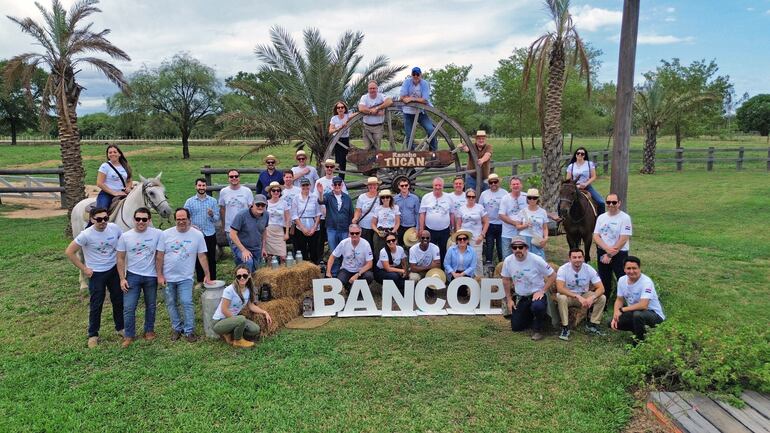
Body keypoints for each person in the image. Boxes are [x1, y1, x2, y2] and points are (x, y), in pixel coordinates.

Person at [65, 207, 124, 348]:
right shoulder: (86, 235)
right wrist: (84, 268)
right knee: (96, 304)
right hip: (96, 273)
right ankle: (93, 334)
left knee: (118, 300)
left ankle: (120, 328)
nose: (103, 222)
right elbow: (69, 252)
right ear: (92, 219)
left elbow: (123, 243)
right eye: (99, 219)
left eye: (105, 218)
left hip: (113, 270)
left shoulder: (114, 228)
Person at [156, 208, 211, 342]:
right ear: (175, 220)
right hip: (168, 277)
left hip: (186, 277)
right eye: (178, 219)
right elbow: (159, 256)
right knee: (171, 302)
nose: (181, 222)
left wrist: (207, 274)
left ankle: (189, 330)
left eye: (184, 219)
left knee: (187, 302)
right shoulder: (165, 234)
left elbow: (202, 256)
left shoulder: (197, 235)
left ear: (189, 219)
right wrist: (160, 275)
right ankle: (177, 328)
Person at [116, 207, 162, 348]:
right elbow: (120, 259)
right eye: (138, 219)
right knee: (129, 307)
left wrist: (159, 275)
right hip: (132, 275)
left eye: (144, 219)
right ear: (134, 220)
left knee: (151, 305)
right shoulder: (125, 236)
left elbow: (161, 254)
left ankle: (149, 330)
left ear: (149, 220)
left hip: (151, 276)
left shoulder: (158, 234)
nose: (141, 222)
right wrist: (122, 278)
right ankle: (129, 335)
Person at [501, 237, 556, 341]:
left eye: (520, 247)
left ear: (526, 248)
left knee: (537, 307)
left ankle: (538, 330)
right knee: (516, 327)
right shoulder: (508, 260)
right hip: (522, 296)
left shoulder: (536, 259)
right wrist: (509, 299)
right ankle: (536, 318)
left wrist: (542, 290)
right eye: (514, 247)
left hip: (536, 294)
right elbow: (505, 280)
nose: (517, 250)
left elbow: (553, 275)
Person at [212, 265, 273, 348]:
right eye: (239, 276)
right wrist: (237, 320)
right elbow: (224, 309)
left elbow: (251, 306)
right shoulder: (229, 290)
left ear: (249, 276)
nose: (242, 278)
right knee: (241, 319)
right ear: (236, 277)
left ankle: (230, 334)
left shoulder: (248, 290)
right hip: (219, 322)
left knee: (255, 329)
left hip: (234, 319)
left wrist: (264, 312)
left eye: (245, 275)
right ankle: (238, 340)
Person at [555, 248, 607, 341]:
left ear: (583, 258)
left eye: (579, 257)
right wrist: (576, 296)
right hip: (569, 296)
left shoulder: (588, 269)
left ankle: (593, 324)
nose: (577, 259)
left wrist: (592, 297)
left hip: (584, 295)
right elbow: (560, 288)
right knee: (561, 297)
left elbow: (601, 288)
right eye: (574, 257)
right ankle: (565, 327)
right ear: (569, 259)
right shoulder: (563, 269)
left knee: (602, 298)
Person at [610, 256, 665, 342]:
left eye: (634, 268)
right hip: (633, 312)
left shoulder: (646, 282)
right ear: (624, 269)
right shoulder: (621, 280)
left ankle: (638, 342)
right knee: (612, 322)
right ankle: (640, 331)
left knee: (638, 314)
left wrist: (622, 310)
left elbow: (643, 305)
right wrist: (615, 314)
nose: (631, 271)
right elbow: (619, 299)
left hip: (654, 315)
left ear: (639, 268)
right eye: (628, 268)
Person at [592, 193, 633, 300]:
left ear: (619, 203)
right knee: (604, 278)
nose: (611, 205)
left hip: (619, 253)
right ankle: (604, 302)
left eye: (614, 202)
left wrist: (610, 254)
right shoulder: (601, 217)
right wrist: (606, 250)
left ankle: (626, 301)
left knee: (622, 278)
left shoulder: (625, 218)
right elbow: (596, 236)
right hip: (603, 252)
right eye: (608, 202)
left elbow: (624, 238)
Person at [184, 178, 219, 286]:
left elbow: (217, 219)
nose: (201, 188)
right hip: (196, 234)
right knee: (198, 258)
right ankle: (200, 280)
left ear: (206, 187)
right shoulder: (190, 202)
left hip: (209, 233)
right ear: (196, 187)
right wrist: (191, 225)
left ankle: (212, 279)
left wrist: (212, 214)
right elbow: (185, 218)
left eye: (203, 186)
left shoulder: (212, 201)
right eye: (199, 186)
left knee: (211, 257)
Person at [318, 176, 354, 276]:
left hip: (344, 229)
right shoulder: (328, 196)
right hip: (332, 228)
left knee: (344, 251)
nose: (337, 186)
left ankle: (343, 272)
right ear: (332, 186)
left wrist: (351, 229)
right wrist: (320, 193)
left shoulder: (347, 198)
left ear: (342, 185)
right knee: (334, 251)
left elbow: (351, 213)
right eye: (335, 184)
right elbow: (321, 201)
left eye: (339, 184)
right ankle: (333, 273)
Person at [218, 169, 253, 262]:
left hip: (245, 227)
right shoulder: (223, 192)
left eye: (236, 176)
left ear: (239, 178)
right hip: (231, 228)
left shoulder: (247, 191)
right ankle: (239, 273)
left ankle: (247, 273)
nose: (234, 178)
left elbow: (251, 208)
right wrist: (223, 225)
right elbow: (222, 209)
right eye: (231, 176)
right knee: (236, 253)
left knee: (246, 252)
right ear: (228, 179)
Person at [325, 224, 374, 290]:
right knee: (340, 282)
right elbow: (332, 256)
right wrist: (328, 272)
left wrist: (358, 274)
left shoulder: (366, 244)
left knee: (369, 276)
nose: (354, 235)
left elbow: (370, 264)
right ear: (349, 233)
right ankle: (352, 287)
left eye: (357, 233)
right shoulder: (344, 243)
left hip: (360, 271)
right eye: (352, 233)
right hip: (346, 269)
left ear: (360, 233)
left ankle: (356, 288)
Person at [400, 67, 437, 151]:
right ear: (411, 75)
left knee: (431, 130)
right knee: (409, 136)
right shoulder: (407, 82)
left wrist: (411, 99)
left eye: (417, 74)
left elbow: (425, 99)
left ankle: (433, 152)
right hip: (407, 113)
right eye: (414, 74)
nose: (416, 76)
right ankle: (411, 155)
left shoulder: (424, 84)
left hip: (420, 112)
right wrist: (418, 100)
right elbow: (402, 96)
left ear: (421, 75)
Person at [230, 194, 268, 272]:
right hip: (241, 246)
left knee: (256, 270)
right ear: (252, 204)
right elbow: (232, 234)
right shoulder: (241, 215)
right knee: (248, 262)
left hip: (256, 247)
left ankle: (250, 282)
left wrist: (263, 248)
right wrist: (243, 250)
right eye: (258, 204)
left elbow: (264, 230)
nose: (260, 207)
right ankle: (242, 282)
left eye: (263, 205)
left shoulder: (266, 215)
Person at [419, 177, 453, 265]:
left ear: (443, 186)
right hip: (429, 230)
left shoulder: (449, 197)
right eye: (436, 185)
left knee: (444, 251)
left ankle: (443, 271)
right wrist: (421, 229)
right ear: (432, 186)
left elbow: (452, 214)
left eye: (440, 185)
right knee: (429, 251)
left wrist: (452, 229)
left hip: (444, 230)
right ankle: (430, 271)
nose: (437, 187)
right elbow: (422, 214)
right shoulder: (426, 197)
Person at [315, 159, 348, 251]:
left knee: (335, 239)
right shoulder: (319, 181)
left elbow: (344, 198)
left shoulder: (339, 181)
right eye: (327, 166)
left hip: (335, 216)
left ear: (334, 168)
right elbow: (316, 198)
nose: (329, 168)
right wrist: (322, 211)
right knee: (320, 239)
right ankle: (320, 260)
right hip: (322, 215)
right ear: (324, 168)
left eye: (331, 167)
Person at [455, 188, 488, 278]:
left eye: (473, 197)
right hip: (464, 238)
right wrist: (458, 236)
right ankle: (466, 279)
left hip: (477, 237)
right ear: (466, 197)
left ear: (475, 198)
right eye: (469, 196)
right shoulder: (461, 208)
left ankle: (479, 279)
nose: (471, 198)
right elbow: (458, 223)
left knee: (477, 259)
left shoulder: (480, 208)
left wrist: (482, 235)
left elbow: (486, 222)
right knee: (464, 259)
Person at [566, 147, 605, 215]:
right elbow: (568, 180)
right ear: (576, 154)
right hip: (574, 187)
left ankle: (600, 221)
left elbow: (594, 176)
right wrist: (576, 186)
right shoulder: (571, 166)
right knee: (562, 202)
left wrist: (586, 184)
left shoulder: (589, 164)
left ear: (584, 155)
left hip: (587, 186)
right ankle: (561, 220)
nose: (580, 155)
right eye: (578, 153)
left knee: (601, 202)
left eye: (582, 154)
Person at [480, 173, 508, 267]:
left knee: (500, 246)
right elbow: (480, 208)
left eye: (495, 182)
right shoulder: (484, 194)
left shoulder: (504, 193)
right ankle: (489, 264)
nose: (493, 184)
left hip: (501, 223)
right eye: (491, 182)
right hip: (489, 224)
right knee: (489, 244)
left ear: (498, 182)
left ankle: (501, 265)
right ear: (488, 183)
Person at [292, 178, 322, 263]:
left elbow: (318, 213)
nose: (305, 187)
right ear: (300, 186)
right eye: (303, 185)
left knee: (314, 250)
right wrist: (302, 228)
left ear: (310, 186)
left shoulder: (315, 197)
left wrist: (314, 227)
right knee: (301, 249)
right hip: (300, 226)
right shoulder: (296, 198)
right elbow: (294, 215)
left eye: (307, 185)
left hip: (313, 225)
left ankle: (315, 267)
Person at [95, 144, 133, 211]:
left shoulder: (125, 166)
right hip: (107, 194)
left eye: (115, 152)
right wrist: (114, 193)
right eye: (110, 152)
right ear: (107, 155)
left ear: (119, 154)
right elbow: (99, 183)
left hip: (122, 194)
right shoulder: (105, 166)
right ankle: (92, 221)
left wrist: (128, 188)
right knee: (100, 213)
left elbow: (129, 180)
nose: (112, 154)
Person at [358, 80, 393, 151]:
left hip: (378, 128)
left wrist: (377, 108)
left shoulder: (381, 96)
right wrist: (373, 112)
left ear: (377, 89)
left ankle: (375, 162)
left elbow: (389, 101)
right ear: (368, 89)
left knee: (376, 148)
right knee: (367, 148)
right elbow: (361, 108)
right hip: (366, 127)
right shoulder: (364, 97)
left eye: (374, 88)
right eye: (370, 88)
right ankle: (368, 162)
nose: (372, 90)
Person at [514, 188, 549, 259]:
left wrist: (545, 238)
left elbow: (545, 227)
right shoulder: (522, 211)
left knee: (539, 259)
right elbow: (517, 226)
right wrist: (525, 225)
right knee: (524, 259)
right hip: (524, 238)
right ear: (527, 199)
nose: (532, 200)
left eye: (534, 198)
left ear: (538, 199)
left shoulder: (543, 212)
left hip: (537, 239)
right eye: (530, 198)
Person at [499, 176, 528, 259]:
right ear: (510, 186)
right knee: (507, 257)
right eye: (514, 184)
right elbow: (501, 215)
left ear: (521, 185)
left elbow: (534, 210)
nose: (516, 186)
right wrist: (515, 223)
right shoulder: (505, 198)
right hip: (507, 234)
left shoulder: (527, 197)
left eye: (517, 184)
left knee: (523, 257)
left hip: (523, 233)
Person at [265, 181, 290, 263]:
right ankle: (270, 272)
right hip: (268, 230)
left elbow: (287, 218)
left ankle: (282, 272)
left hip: (279, 230)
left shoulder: (284, 203)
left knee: (283, 256)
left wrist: (286, 233)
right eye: (273, 190)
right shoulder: (266, 203)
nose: (276, 192)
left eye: (278, 190)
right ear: (270, 192)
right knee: (269, 256)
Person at [353, 177, 380, 250]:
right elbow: (358, 210)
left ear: (377, 186)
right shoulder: (362, 197)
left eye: (374, 185)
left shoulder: (381, 197)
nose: (372, 186)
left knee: (375, 247)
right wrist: (355, 218)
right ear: (367, 186)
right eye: (370, 185)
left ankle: (373, 261)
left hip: (377, 227)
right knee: (365, 246)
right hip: (364, 226)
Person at [371, 189, 400, 255]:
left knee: (393, 251)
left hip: (391, 230)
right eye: (383, 197)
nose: (385, 199)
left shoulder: (395, 208)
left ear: (390, 198)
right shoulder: (377, 208)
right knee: (379, 251)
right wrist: (378, 232)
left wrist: (392, 232)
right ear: (381, 199)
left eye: (387, 197)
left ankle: (392, 265)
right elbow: (373, 224)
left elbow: (397, 222)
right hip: (380, 231)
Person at [394, 178, 420, 247]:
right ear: (399, 187)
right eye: (402, 186)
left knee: (412, 245)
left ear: (408, 186)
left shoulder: (415, 198)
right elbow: (394, 214)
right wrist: (395, 227)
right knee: (400, 245)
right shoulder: (395, 199)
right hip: (400, 226)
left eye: (406, 185)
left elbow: (417, 214)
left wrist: (417, 228)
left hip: (412, 226)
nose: (404, 187)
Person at [329, 100, 352, 174]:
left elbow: (357, 114)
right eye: (338, 107)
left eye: (342, 107)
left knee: (343, 160)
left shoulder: (347, 116)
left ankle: (341, 178)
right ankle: (336, 177)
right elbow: (330, 131)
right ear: (336, 110)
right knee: (338, 160)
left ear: (344, 109)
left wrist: (347, 120)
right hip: (337, 140)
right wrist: (338, 129)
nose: (340, 109)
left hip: (345, 139)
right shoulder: (334, 118)